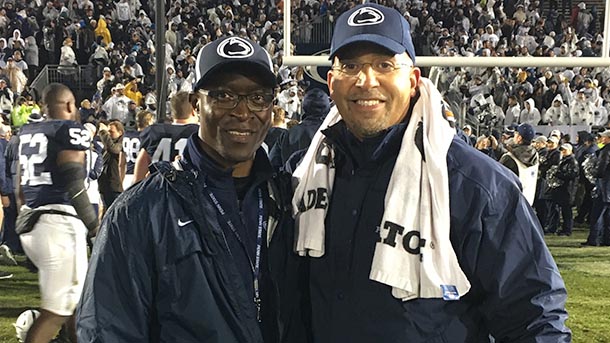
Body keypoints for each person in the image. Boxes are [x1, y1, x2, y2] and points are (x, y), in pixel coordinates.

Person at [291, 4, 571, 342]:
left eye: (384, 64)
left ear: (411, 80)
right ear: (332, 82)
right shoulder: (305, 175)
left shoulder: (475, 184)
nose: (366, 80)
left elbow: (534, 318)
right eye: (351, 65)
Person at [77, 36, 302, 342]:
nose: (243, 111)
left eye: (258, 97)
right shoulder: (139, 212)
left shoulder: (289, 198)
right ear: (197, 104)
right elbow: (108, 330)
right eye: (224, 96)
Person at [17, 83, 98, 343]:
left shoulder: (29, 131)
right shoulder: (69, 130)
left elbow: (20, 188)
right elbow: (73, 182)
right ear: (69, 105)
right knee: (56, 311)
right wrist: (95, 226)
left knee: (76, 304)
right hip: (58, 223)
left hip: (32, 220)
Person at [131, 91, 199, 184]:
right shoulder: (199, 134)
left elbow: (138, 178)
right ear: (194, 111)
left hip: (158, 192)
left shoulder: (153, 132)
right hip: (192, 193)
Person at [499, 123, 539, 205]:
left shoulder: (509, 158)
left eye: (516, 134)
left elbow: (498, 182)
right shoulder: (535, 155)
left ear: (519, 138)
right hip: (528, 202)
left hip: (510, 204)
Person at [97, 120, 126, 212]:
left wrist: (103, 133)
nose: (108, 134)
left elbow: (113, 149)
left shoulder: (121, 145)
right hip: (104, 185)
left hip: (115, 186)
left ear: (120, 132)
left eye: (111, 132)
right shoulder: (107, 144)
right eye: (108, 132)